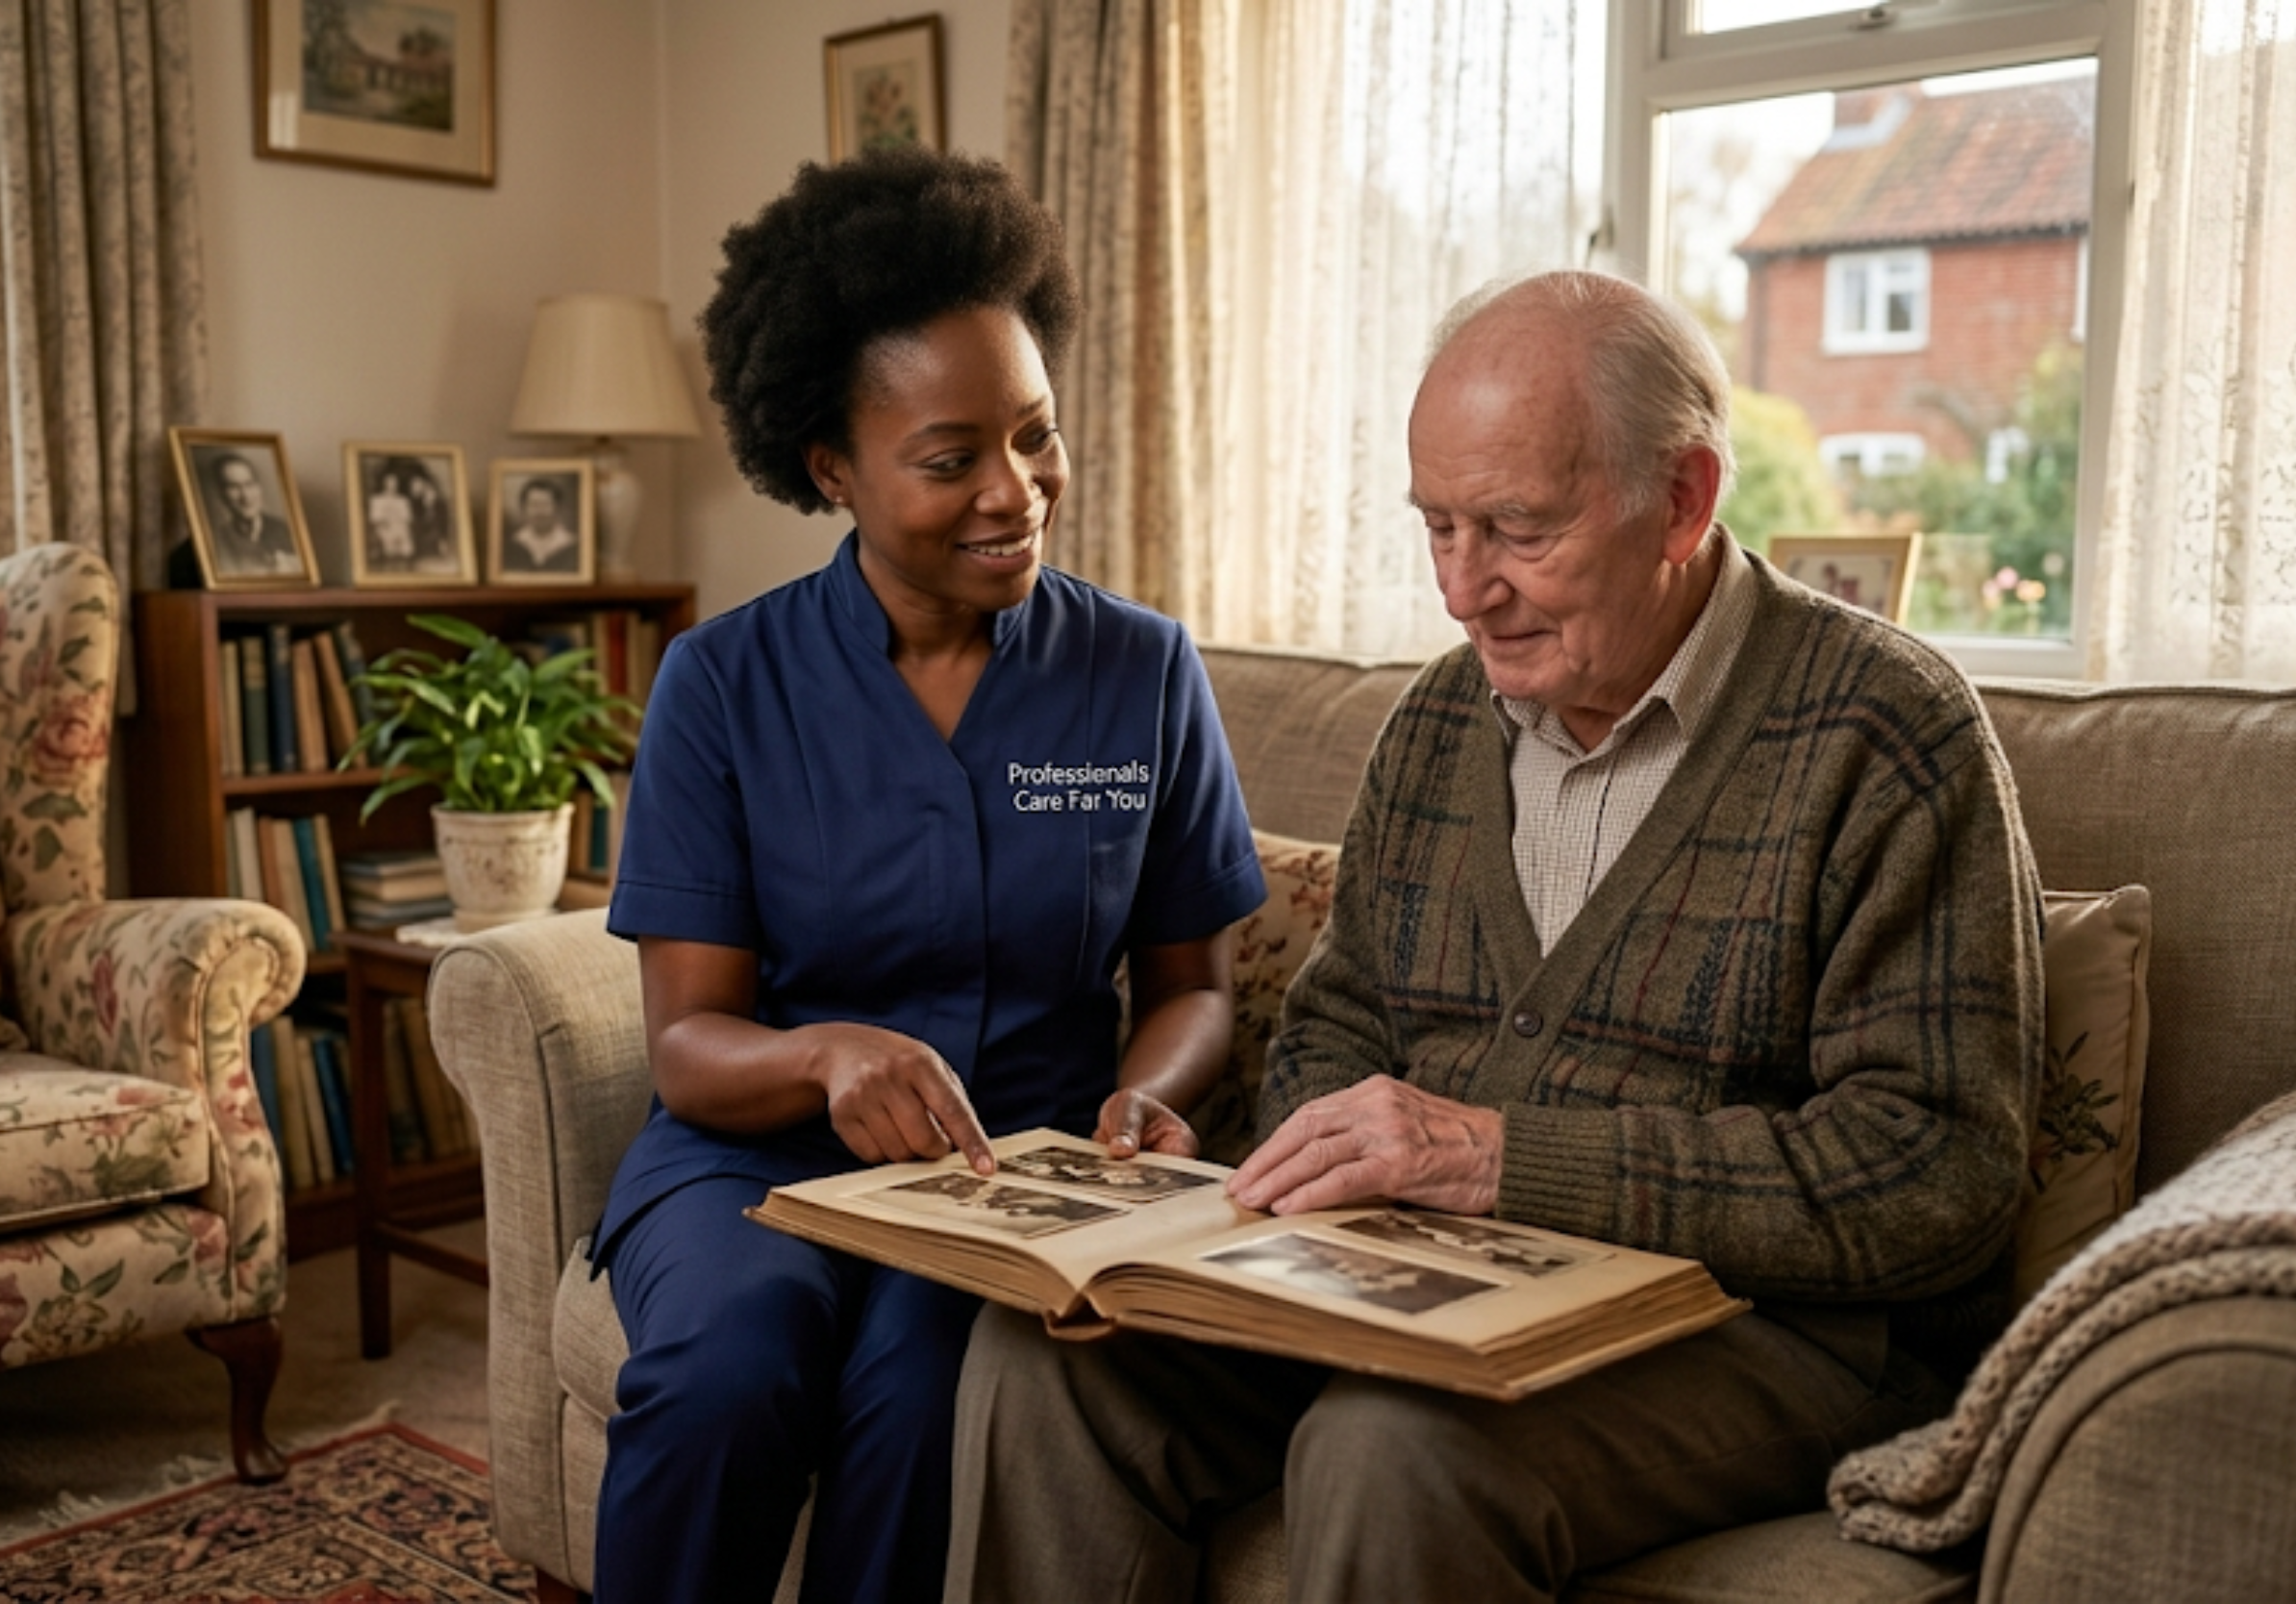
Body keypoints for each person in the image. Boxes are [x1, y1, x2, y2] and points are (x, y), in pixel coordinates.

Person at [946, 268, 2044, 1602]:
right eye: (1440, 528)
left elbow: (1934, 1174)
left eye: (1519, 531)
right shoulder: (1439, 721)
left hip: (1759, 1331)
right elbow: (1339, 1024)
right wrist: (1305, 1161)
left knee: (1394, 1445)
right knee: (1047, 1355)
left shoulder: (1885, 733)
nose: (1468, 593)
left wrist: (1503, 1162)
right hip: (1420, 1284)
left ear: (1684, 500)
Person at [592, 145, 1265, 1604]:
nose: (1015, 492)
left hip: (1003, 1177)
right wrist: (827, 1056)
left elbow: (1194, 983)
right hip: (749, 1165)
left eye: (1035, 436)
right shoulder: (721, 683)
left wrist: (1151, 1098)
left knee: (922, 1396)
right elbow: (690, 1049)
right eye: (951, 458)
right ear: (830, 467)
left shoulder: (1140, 670)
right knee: (731, 1358)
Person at [203, 451, 303, 577]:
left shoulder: (288, 532)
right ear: (220, 494)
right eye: (234, 487)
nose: (245, 496)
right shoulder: (216, 542)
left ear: (259, 488)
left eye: (249, 484)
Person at [501, 478, 580, 573]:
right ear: (523, 509)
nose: (539, 512)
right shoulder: (513, 545)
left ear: (557, 508)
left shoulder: (572, 545)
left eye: (545, 504)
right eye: (534, 505)